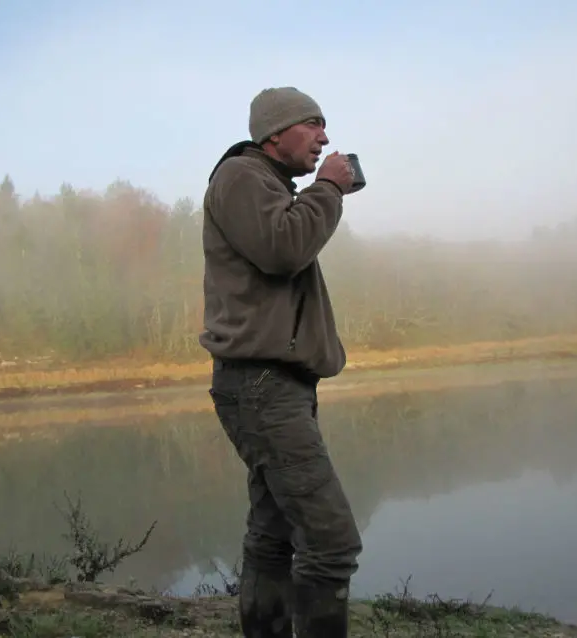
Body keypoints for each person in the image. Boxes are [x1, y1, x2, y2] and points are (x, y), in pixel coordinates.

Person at [199, 86, 363, 637]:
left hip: (272, 385)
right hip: (262, 386)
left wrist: (315, 193)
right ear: (274, 132)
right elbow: (284, 248)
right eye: (312, 124)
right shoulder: (242, 177)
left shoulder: (267, 186)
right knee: (330, 541)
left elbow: (284, 245)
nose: (323, 137)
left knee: (273, 536)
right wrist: (329, 189)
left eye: (324, 126)